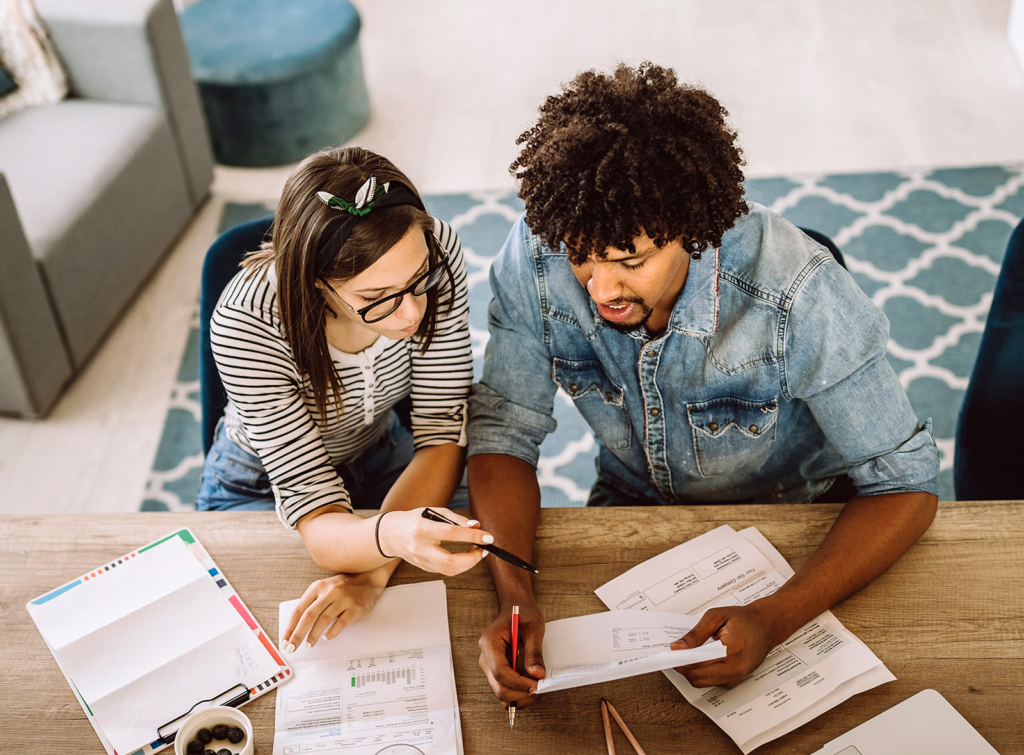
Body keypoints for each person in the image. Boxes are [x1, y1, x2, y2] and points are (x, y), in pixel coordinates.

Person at [467, 63, 939, 709]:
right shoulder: (535, 255)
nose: (601, 290)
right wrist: (517, 599)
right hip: (628, 500)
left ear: (693, 231)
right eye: (583, 256)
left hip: (796, 516)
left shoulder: (797, 291)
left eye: (630, 261)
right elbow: (503, 434)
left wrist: (776, 617)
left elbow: (905, 485)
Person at [195, 147, 492, 651]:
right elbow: (316, 513)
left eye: (419, 281)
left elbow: (442, 432)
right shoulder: (246, 322)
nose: (412, 312)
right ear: (316, 280)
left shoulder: (436, 246)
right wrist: (393, 537)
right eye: (378, 298)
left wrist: (371, 576)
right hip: (259, 482)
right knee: (244, 641)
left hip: (383, 451)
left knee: (478, 583)